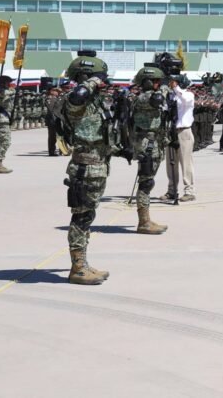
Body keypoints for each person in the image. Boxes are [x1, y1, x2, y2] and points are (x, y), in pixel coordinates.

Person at [59, 51, 132, 284]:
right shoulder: (76, 100)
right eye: (99, 77)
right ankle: (78, 268)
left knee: (87, 216)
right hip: (85, 168)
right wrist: (92, 81)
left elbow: (98, 136)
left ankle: (82, 263)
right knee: (81, 217)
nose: (103, 82)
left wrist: (120, 150)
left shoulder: (95, 103)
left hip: (98, 166)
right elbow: (77, 96)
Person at [130, 64, 171, 235]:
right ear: (146, 82)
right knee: (146, 183)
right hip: (147, 145)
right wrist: (165, 86)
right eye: (155, 81)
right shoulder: (144, 97)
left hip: (154, 143)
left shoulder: (151, 96)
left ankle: (145, 219)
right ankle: (144, 222)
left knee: (148, 181)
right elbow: (158, 99)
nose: (158, 84)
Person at [165, 74, 196, 201]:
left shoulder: (188, 94)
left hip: (184, 131)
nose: (172, 84)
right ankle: (172, 190)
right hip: (171, 131)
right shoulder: (170, 95)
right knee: (170, 163)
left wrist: (176, 88)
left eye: (174, 82)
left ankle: (189, 191)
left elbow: (184, 99)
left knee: (186, 163)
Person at [0, 75, 17, 175]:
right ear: (3, 83)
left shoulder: (6, 91)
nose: (10, 84)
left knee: (5, 142)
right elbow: (5, 93)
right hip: (1, 120)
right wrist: (13, 90)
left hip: (5, 119)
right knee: (4, 142)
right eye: (8, 82)